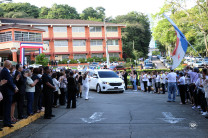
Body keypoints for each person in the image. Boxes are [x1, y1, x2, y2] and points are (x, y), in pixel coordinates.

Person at [0, 60, 18, 127]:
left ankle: (8, 121)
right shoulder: (5, 71)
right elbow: (9, 81)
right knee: (7, 107)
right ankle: (7, 122)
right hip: (7, 92)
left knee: (7, 107)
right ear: (8, 65)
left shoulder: (6, 71)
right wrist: (14, 88)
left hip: (8, 91)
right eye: (10, 64)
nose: (11, 65)